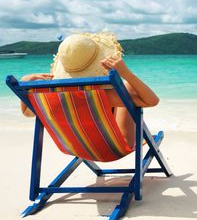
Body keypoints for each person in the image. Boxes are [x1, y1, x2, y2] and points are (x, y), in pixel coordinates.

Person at [20, 32, 159, 148]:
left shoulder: (50, 97)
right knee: (127, 88)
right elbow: (152, 100)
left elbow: (27, 112)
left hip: (76, 147)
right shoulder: (105, 95)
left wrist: (25, 81)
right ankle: (137, 137)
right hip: (115, 147)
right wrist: (126, 73)